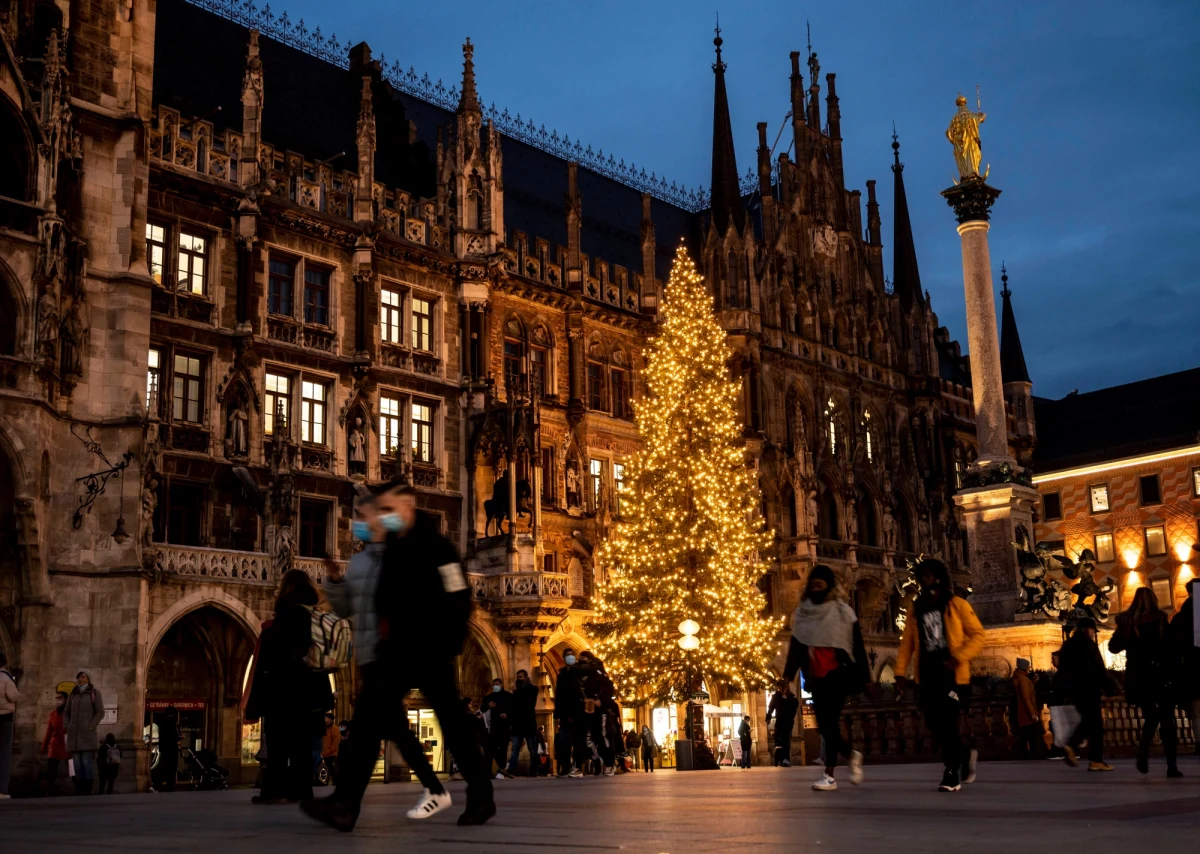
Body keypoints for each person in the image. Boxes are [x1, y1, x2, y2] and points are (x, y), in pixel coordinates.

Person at [302, 482, 494, 830]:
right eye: (382, 511)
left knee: (454, 726)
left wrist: (449, 644)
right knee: (364, 724)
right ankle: (345, 804)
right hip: (394, 653)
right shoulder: (391, 548)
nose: (385, 517)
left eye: (389, 509)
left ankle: (482, 796)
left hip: (432, 651)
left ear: (407, 505)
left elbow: (459, 596)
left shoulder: (438, 546)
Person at [895, 558, 985, 792]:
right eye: (920, 576)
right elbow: (907, 644)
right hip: (926, 674)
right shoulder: (916, 608)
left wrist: (959, 657)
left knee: (947, 721)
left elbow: (978, 635)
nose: (922, 579)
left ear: (937, 577)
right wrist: (899, 673)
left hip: (952, 674)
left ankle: (951, 772)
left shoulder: (957, 604)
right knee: (934, 723)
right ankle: (963, 753)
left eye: (926, 575)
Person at [247, 570, 333, 804]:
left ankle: (273, 791)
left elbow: (264, 668)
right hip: (308, 697)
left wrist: (255, 704)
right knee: (303, 749)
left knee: (277, 748)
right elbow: (323, 665)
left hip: (280, 696)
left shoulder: (277, 625)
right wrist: (325, 699)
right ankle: (302, 791)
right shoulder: (317, 624)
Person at [784, 564, 869, 791]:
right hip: (816, 677)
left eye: (820, 586)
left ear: (829, 587)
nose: (816, 589)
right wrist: (786, 677)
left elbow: (857, 647)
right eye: (813, 586)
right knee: (825, 727)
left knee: (829, 724)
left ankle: (829, 775)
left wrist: (866, 678)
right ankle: (851, 755)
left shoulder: (842, 612)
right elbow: (796, 647)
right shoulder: (804, 612)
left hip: (838, 675)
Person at [1109, 587, 1181, 777]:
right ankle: (1171, 766)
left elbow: (1113, 648)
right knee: (1167, 719)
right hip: (1160, 676)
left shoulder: (1126, 622)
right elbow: (1171, 648)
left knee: (1151, 717)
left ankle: (1143, 750)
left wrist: (1125, 638)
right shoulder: (1159, 620)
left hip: (1138, 678)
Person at [1057, 617, 1114, 772]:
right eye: (1092, 631)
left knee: (1089, 721)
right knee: (1094, 723)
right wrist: (1111, 687)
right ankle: (1084, 752)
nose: (1092, 634)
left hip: (1074, 690)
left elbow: (1062, 669)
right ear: (1087, 630)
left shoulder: (1067, 645)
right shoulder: (1088, 645)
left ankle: (1086, 753)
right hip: (1090, 688)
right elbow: (1098, 668)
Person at [1169, 578, 1199, 756]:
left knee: (1196, 712)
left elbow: (1172, 646)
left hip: (1191, 671)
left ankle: (1199, 742)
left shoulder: (1181, 617)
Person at [63, 670, 104, 795]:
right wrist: (67, 725)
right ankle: (79, 787)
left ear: (88, 679)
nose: (80, 679)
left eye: (83, 677)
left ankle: (88, 787)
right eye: (79, 677)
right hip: (74, 735)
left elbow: (100, 712)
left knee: (86, 761)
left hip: (87, 734)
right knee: (76, 762)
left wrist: (91, 725)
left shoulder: (94, 693)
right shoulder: (73, 694)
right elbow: (66, 712)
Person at [576, 651, 616, 776]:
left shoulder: (597, 672)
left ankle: (609, 763)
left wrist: (601, 700)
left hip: (598, 710)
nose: (581, 661)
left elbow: (608, 687)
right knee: (586, 739)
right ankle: (596, 758)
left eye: (584, 659)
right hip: (584, 710)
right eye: (580, 658)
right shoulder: (576, 673)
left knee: (601, 736)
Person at [554, 651, 585, 777]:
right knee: (564, 743)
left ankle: (577, 767)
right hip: (564, 714)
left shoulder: (578, 672)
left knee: (577, 742)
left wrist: (574, 713)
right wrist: (558, 714)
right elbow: (559, 695)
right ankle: (565, 766)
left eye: (572, 654)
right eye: (567, 655)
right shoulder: (561, 674)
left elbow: (576, 693)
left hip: (577, 712)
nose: (570, 657)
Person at [506, 670, 539, 778]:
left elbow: (528, 704)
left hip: (528, 723)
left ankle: (533, 770)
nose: (518, 679)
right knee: (515, 747)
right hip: (517, 724)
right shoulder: (516, 691)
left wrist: (515, 692)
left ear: (525, 677)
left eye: (520, 677)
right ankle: (511, 769)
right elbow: (513, 707)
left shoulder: (532, 689)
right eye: (517, 677)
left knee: (532, 748)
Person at [481, 677, 513, 778]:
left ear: (501, 685)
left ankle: (501, 770)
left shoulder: (508, 696)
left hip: (504, 726)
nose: (495, 686)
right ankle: (502, 766)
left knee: (503, 748)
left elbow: (514, 709)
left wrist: (507, 714)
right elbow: (482, 708)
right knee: (493, 748)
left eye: (497, 684)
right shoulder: (489, 697)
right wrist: (488, 706)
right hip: (494, 726)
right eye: (494, 684)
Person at [1012, 658, 1043, 759]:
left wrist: (1032, 682)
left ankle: (1024, 755)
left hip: (1022, 713)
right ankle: (1035, 755)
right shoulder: (1023, 680)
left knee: (1024, 736)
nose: (1029, 668)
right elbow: (1026, 698)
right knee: (1032, 735)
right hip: (1027, 713)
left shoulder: (1018, 678)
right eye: (1028, 666)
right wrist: (1032, 714)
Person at [765, 679, 800, 767]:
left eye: (782, 687)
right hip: (779, 720)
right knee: (780, 740)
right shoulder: (776, 696)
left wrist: (788, 700)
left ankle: (786, 759)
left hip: (788, 721)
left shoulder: (791, 696)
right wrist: (768, 717)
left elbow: (795, 705)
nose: (780, 689)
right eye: (779, 687)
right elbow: (771, 707)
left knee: (785, 739)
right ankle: (782, 758)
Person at [41, 691, 70, 796]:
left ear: (66, 700)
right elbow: (49, 731)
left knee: (72, 768)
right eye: (56, 698)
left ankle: (79, 789)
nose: (58, 700)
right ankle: (50, 790)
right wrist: (44, 747)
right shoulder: (53, 714)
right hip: (55, 744)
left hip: (67, 743)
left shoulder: (69, 713)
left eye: (60, 698)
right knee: (51, 770)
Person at [153, 706, 179, 792]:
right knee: (170, 769)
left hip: (164, 749)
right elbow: (172, 736)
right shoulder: (170, 722)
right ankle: (168, 786)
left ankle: (158, 784)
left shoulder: (162, 721)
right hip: (170, 749)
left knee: (163, 767)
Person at [0, 653, 16, 799]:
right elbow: (14, 696)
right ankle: (2, 790)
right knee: (4, 753)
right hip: (5, 718)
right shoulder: (5, 677)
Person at [320, 713, 342, 785]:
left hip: (331, 753)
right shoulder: (325, 728)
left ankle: (335, 782)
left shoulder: (334, 728)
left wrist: (329, 751)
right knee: (328, 769)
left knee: (330, 768)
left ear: (330, 719)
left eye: (326, 718)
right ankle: (326, 782)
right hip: (325, 753)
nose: (325, 720)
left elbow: (336, 742)